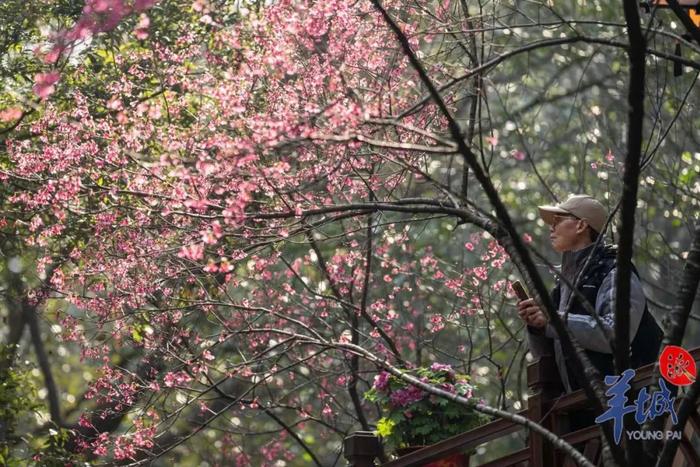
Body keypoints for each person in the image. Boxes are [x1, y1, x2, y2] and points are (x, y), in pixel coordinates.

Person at [517, 194, 663, 394]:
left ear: (580, 226)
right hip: (578, 406)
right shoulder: (561, 288)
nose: (551, 227)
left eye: (558, 220)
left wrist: (552, 319)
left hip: (623, 402)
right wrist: (537, 327)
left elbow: (617, 335)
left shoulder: (614, 272)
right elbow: (546, 354)